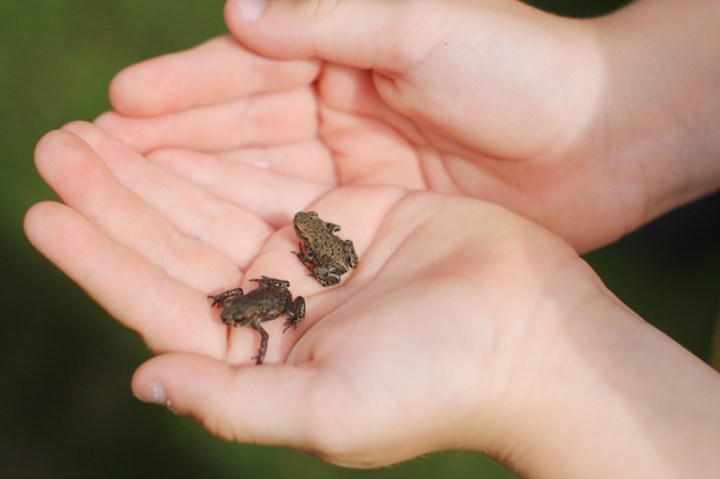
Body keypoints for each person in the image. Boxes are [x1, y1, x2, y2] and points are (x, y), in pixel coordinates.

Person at [24, 0, 720, 477]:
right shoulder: (265, 286)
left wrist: (526, 366)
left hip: (301, 282)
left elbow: (276, 306)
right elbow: (268, 294)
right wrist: (623, 111)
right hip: (295, 279)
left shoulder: (284, 283)